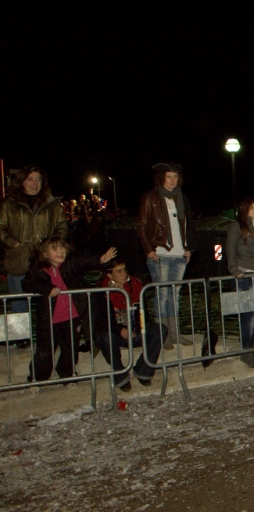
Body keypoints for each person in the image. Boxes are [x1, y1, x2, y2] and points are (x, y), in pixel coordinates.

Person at [22, 236, 116, 382]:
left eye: (62, 247)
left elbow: (84, 261)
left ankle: (67, 374)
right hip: (49, 318)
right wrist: (46, 289)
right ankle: (38, 377)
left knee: (70, 348)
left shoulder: (70, 264)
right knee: (45, 350)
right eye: (54, 249)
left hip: (71, 316)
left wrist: (100, 260)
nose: (60, 251)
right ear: (45, 254)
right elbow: (27, 284)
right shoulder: (38, 270)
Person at [0, 166, 68, 348]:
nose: (34, 183)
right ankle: (20, 337)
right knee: (19, 299)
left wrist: (52, 247)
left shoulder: (52, 204)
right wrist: (15, 244)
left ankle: (52, 336)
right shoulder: (9, 204)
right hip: (19, 259)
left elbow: (62, 227)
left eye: (38, 179)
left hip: (45, 260)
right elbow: (1, 228)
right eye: (30, 179)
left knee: (48, 298)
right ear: (21, 181)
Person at [136, 162, 197, 348]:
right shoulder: (150, 197)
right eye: (168, 176)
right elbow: (141, 225)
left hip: (179, 253)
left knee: (175, 294)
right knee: (162, 294)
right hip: (160, 253)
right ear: (161, 178)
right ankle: (162, 335)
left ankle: (174, 333)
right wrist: (149, 249)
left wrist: (188, 248)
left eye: (175, 177)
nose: (172, 180)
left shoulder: (181, 197)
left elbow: (188, 225)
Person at [95, 258, 168, 391]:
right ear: (110, 275)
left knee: (160, 329)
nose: (124, 274)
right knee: (105, 338)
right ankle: (120, 375)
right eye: (119, 271)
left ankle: (143, 370)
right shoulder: (102, 292)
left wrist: (140, 326)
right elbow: (102, 319)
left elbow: (144, 311)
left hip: (136, 329)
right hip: (116, 333)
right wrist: (120, 329)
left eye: (124, 270)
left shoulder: (136, 285)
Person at [225, 197, 254, 368]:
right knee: (248, 314)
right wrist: (234, 270)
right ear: (244, 210)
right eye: (252, 208)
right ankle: (246, 351)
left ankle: (251, 346)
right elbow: (230, 249)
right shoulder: (237, 227)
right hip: (245, 274)